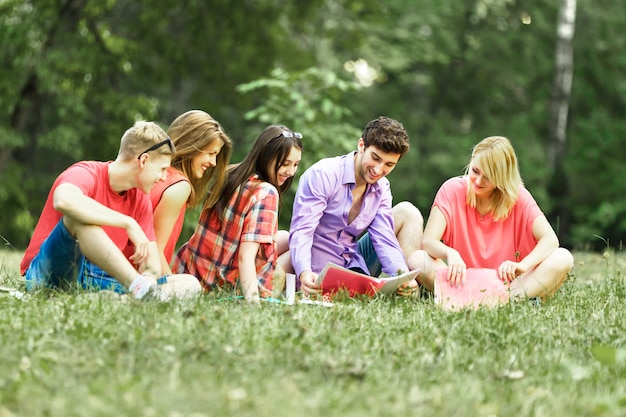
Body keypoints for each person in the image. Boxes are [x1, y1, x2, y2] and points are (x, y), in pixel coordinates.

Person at [20, 121, 202, 300]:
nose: (163, 178)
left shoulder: (140, 199)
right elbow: (63, 200)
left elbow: (152, 265)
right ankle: (139, 290)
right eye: (162, 169)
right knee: (78, 219)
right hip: (52, 273)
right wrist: (127, 222)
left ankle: (128, 298)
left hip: (102, 278)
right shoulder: (85, 173)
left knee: (189, 284)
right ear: (144, 160)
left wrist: (148, 277)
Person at [407, 136, 574, 302]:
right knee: (418, 259)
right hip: (463, 281)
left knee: (563, 257)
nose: (478, 181)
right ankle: (481, 300)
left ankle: (496, 300)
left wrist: (522, 265)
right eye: (475, 171)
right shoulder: (451, 190)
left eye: (487, 177)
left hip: (509, 284)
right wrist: (451, 253)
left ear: (502, 177)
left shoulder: (519, 196)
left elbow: (550, 240)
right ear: (471, 161)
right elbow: (428, 242)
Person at [288, 116, 423, 295]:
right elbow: (302, 230)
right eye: (375, 158)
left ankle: (408, 290)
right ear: (361, 146)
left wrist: (402, 276)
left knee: (409, 212)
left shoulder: (382, 187)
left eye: (389, 164)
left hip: (354, 261)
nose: (378, 170)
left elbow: (384, 237)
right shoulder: (323, 174)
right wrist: (304, 273)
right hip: (318, 266)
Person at [173, 125, 303, 303]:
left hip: (193, 270)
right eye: (286, 163)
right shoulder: (267, 193)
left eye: (296, 164)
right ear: (267, 157)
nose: (291, 172)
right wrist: (253, 302)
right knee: (292, 253)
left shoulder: (230, 174)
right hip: (226, 285)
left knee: (286, 238)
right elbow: (245, 256)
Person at [149, 110, 232, 274]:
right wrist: (170, 285)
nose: (214, 162)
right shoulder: (179, 186)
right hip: (145, 275)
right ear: (192, 146)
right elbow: (154, 252)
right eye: (210, 153)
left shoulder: (156, 174)